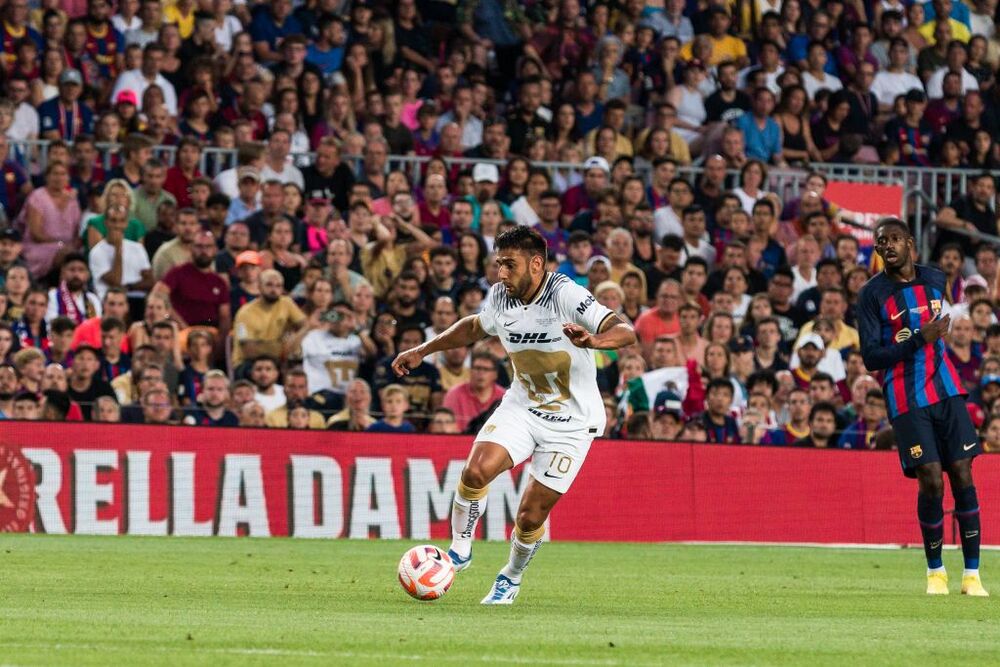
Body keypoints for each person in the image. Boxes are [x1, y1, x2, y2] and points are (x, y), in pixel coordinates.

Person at [392, 226, 636, 604]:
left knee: (529, 516)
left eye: (510, 264)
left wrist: (595, 341)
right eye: (498, 264)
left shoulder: (564, 293)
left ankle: (512, 575)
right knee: (475, 471)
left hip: (572, 423)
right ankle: (459, 549)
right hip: (523, 406)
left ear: (536, 264)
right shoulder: (500, 297)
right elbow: (474, 326)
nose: (501, 273)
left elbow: (625, 330)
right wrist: (423, 350)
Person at [858, 217, 987, 596]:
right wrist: (918, 338)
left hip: (946, 388)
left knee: (963, 472)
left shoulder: (934, 279)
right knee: (931, 477)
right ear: (878, 250)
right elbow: (870, 357)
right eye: (882, 242)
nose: (889, 246)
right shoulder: (871, 295)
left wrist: (929, 338)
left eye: (895, 239)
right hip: (905, 396)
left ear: (909, 242)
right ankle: (935, 571)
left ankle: (973, 575)